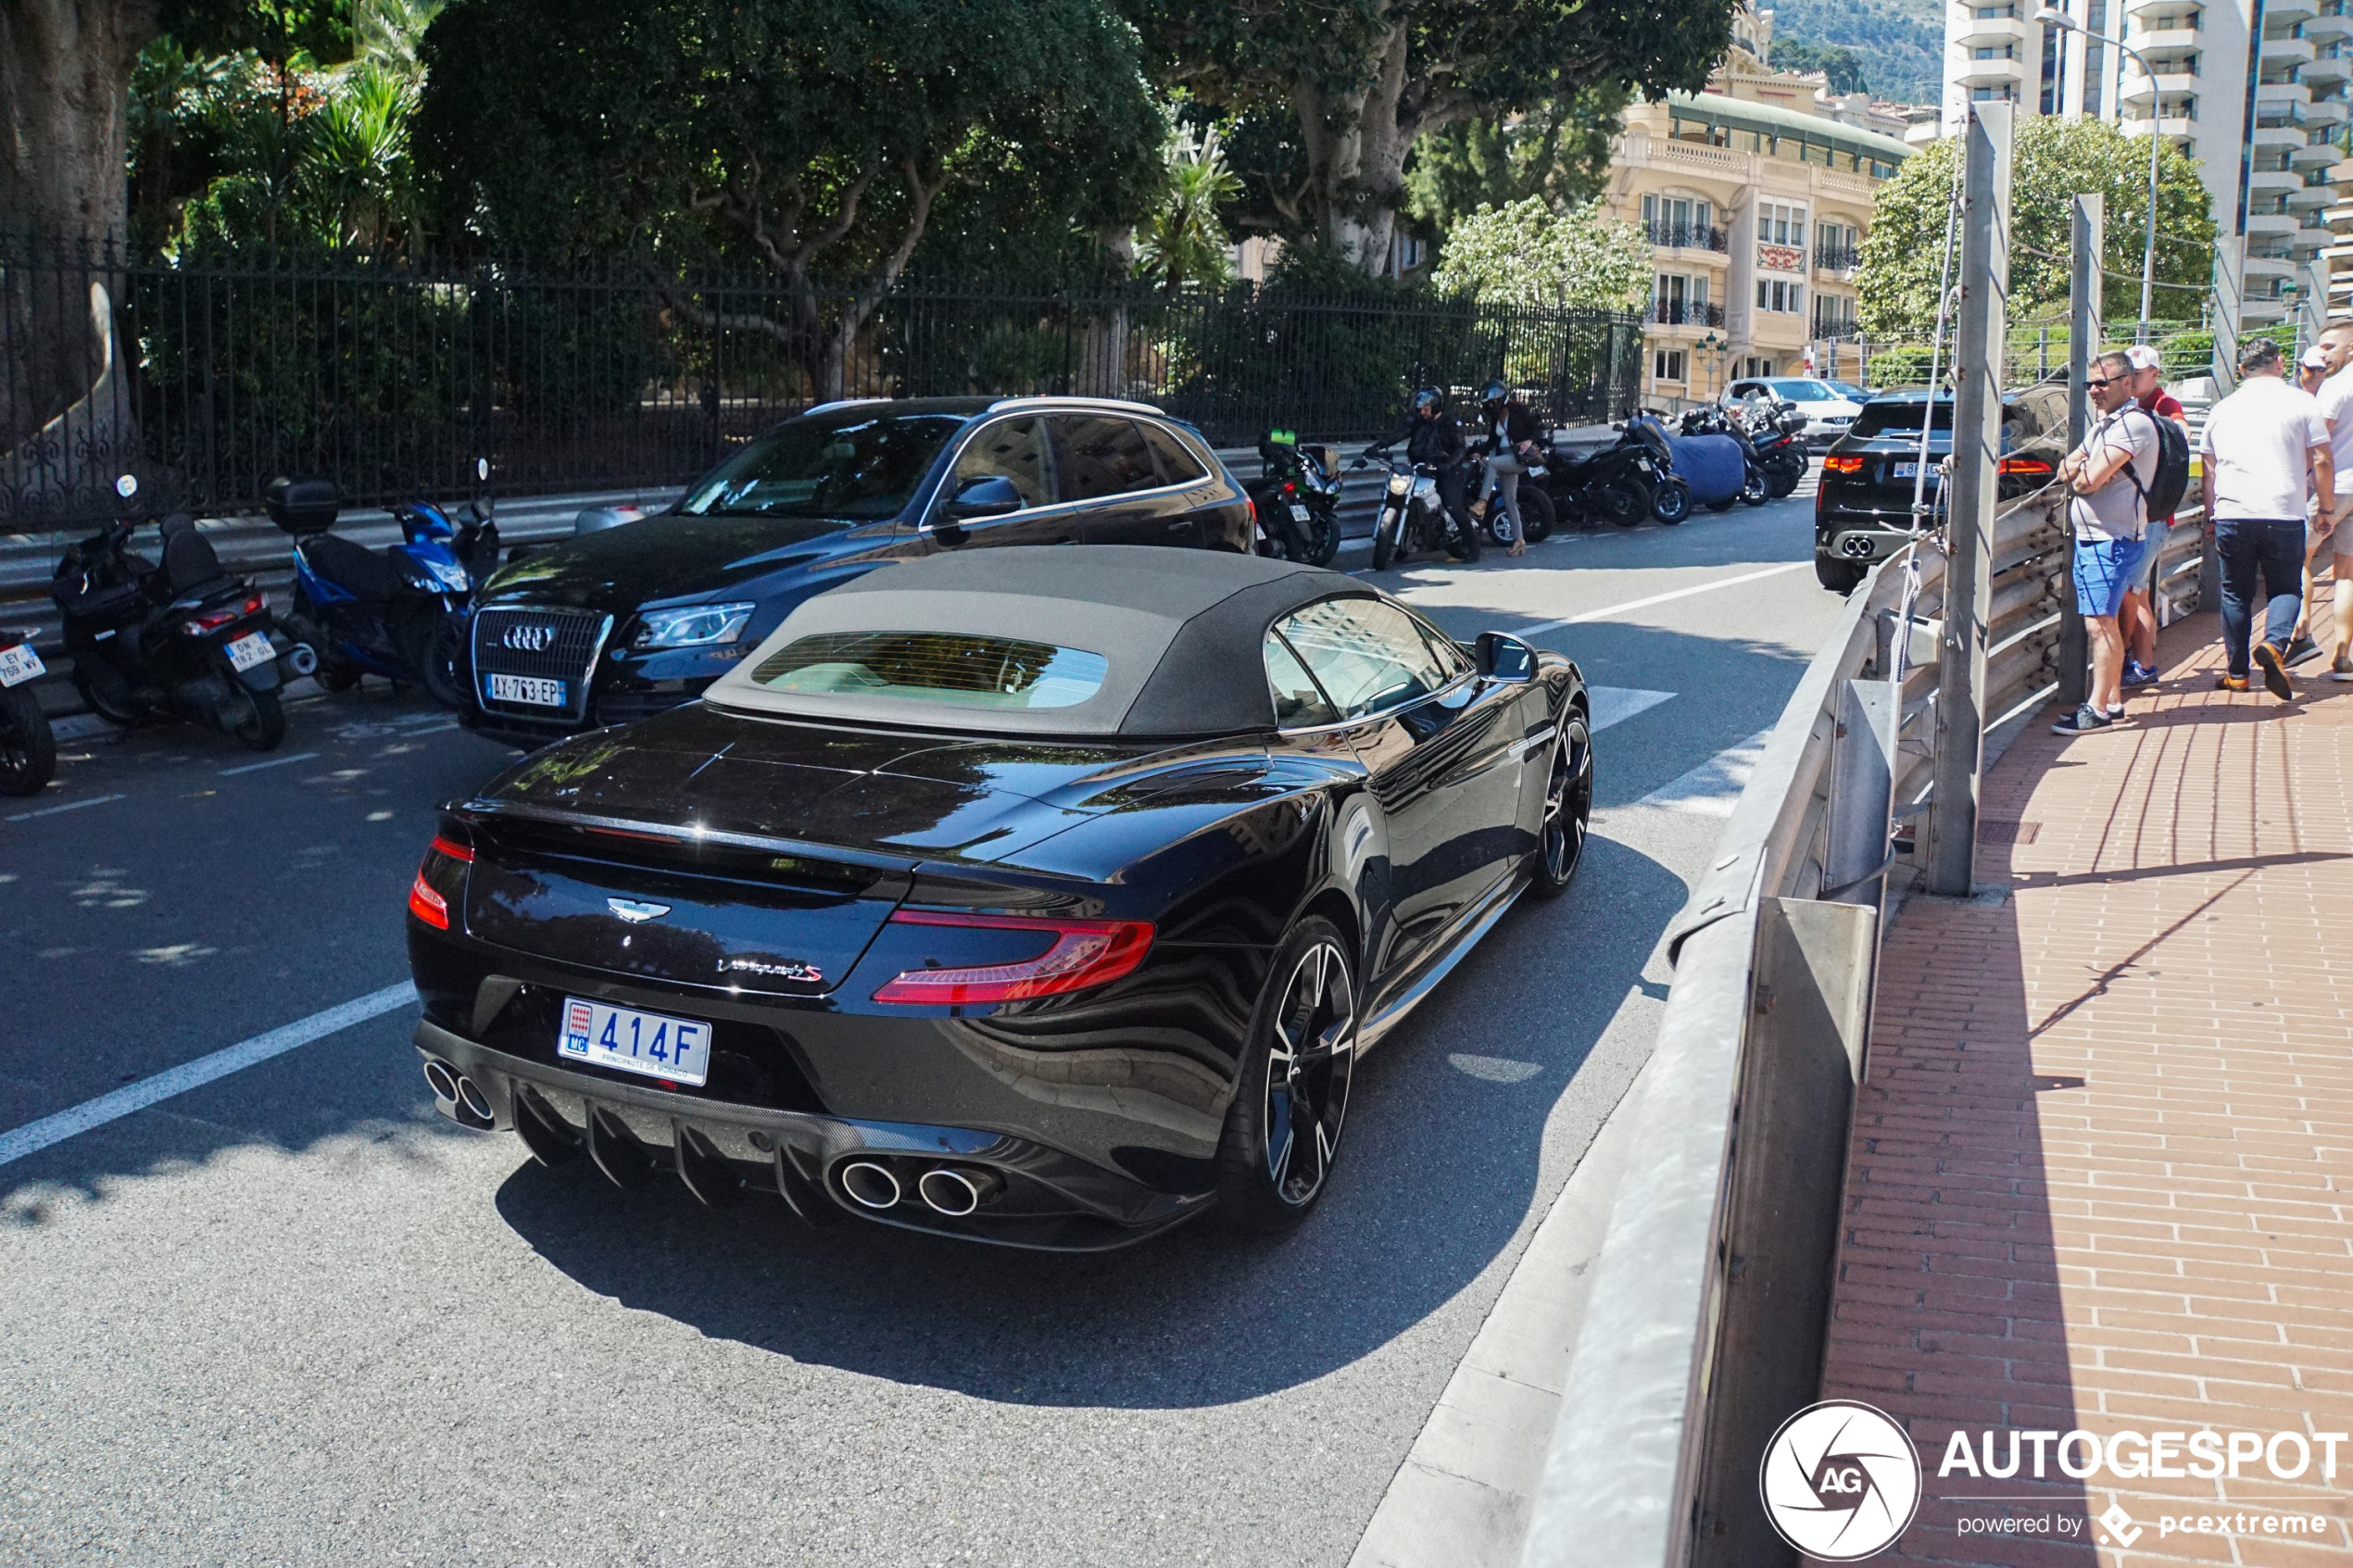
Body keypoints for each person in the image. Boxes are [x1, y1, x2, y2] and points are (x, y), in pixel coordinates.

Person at [2200, 337, 2334, 699]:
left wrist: (2212, 516)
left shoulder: (2222, 408)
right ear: (2279, 362)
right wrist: (2326, 509)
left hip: (2232, 512)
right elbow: (2321, 459)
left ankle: (2238, 673)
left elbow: (2209, 471)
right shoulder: (2302, 402)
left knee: (2235, 594)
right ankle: (2274, 645)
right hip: (2283, 513)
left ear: (2242, 369)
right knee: (2287, 587)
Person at [2052, 350, 2160, 735]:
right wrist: (2087, 470)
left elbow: (2083, 481)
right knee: (2103, 621)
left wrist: (2087, 472)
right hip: (2094, 539)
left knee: (2100, 625)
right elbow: (2066, 469)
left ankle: (2097, 709)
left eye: (2104, 383)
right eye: (2090, 384)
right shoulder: (2104, 427)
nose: (2095, 390)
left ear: (2128, 384)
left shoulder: (2133, 426)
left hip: (2111, 541)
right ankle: (2110, 702)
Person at [2119, 343, 2188, 688]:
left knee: (2131, 590)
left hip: (2154, 518)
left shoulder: (2164, 405)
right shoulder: (2137, 406)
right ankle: (2143, 664)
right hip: (2148, 517)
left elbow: (2182, 435)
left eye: (2138, 373)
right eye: (2127, 373)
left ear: (2155, 374)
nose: (2132, 379)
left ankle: (2126, 662)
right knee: (2139, 591)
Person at [2306, 320, 2353, 678]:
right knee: (2346, 574)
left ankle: (2299, 636)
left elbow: (2317, 445)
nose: (2322, 354)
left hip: (2332, 487)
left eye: (2329, 347)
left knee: (2297, 558)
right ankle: (2342, 657)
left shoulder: (2336, 388)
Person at [1403, 386, 1478, 557]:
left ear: (1436, 407)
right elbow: (1401, 432)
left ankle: (1474, 548)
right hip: (1425, 468)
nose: (1422, 412)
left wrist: (1450, 464)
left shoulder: (1451, 421)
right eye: (1420, 409)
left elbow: (1460, 448)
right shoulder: (1421, 422)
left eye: (1426, 409)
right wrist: (1378, 446)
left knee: (1452, 504)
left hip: (1451, 469)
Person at [1478, 380, 1543, 558]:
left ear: (1501, 398)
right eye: (1488, 404)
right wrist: (1475, 452)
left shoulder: (1518, 410)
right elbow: (1492, 441)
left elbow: (1536, 428)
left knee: (1492, 463)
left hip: (1519, 456)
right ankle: (1519, 540)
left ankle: (1482, 503)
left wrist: (1529, 441)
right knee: (1509, 500)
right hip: (1505, 455)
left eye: (1493, 402)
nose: (1490, 406)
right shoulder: (1495, 417)